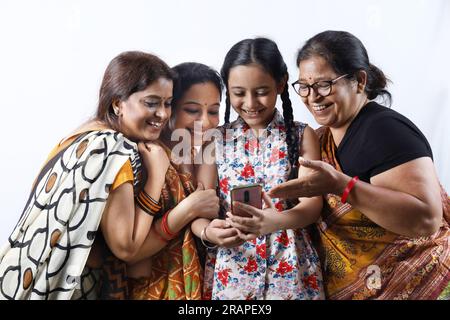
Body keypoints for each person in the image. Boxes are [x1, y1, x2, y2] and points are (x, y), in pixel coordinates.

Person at [269, 30, 450, 300]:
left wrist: (341, 185)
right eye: (304, 87)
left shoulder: (385, 129)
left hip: (423, 281)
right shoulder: (321, 138)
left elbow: (426, 219)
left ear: (359, 81)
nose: (313, 97)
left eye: (324, 84)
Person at [0, 51, 177, 300]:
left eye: (167, 103)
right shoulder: (113, 148)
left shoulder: (80, 136)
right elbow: (126, 246)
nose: (162, 114)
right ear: (117, 103)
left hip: (21, 278)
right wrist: (158, 177)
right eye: (151, 103)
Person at [198, 38, 325, 300]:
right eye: (239, 92)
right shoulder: (214, 140)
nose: (250, 102)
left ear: (280, 83)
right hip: (233, 270)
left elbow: (312, 204)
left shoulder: (302, 135)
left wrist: (273, 222)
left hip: (291, 268)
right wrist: (208, 231)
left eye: (261, 91)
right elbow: (200, 209)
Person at [126, 62, 226, 300]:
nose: (206, 121)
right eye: (192, 110)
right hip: (151, 287)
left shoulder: (207, 151)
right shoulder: (146, 157)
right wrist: (188, 209)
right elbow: (133, 252)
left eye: (213, 111)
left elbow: (207, 207)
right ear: (169, 108)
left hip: (201, 285)